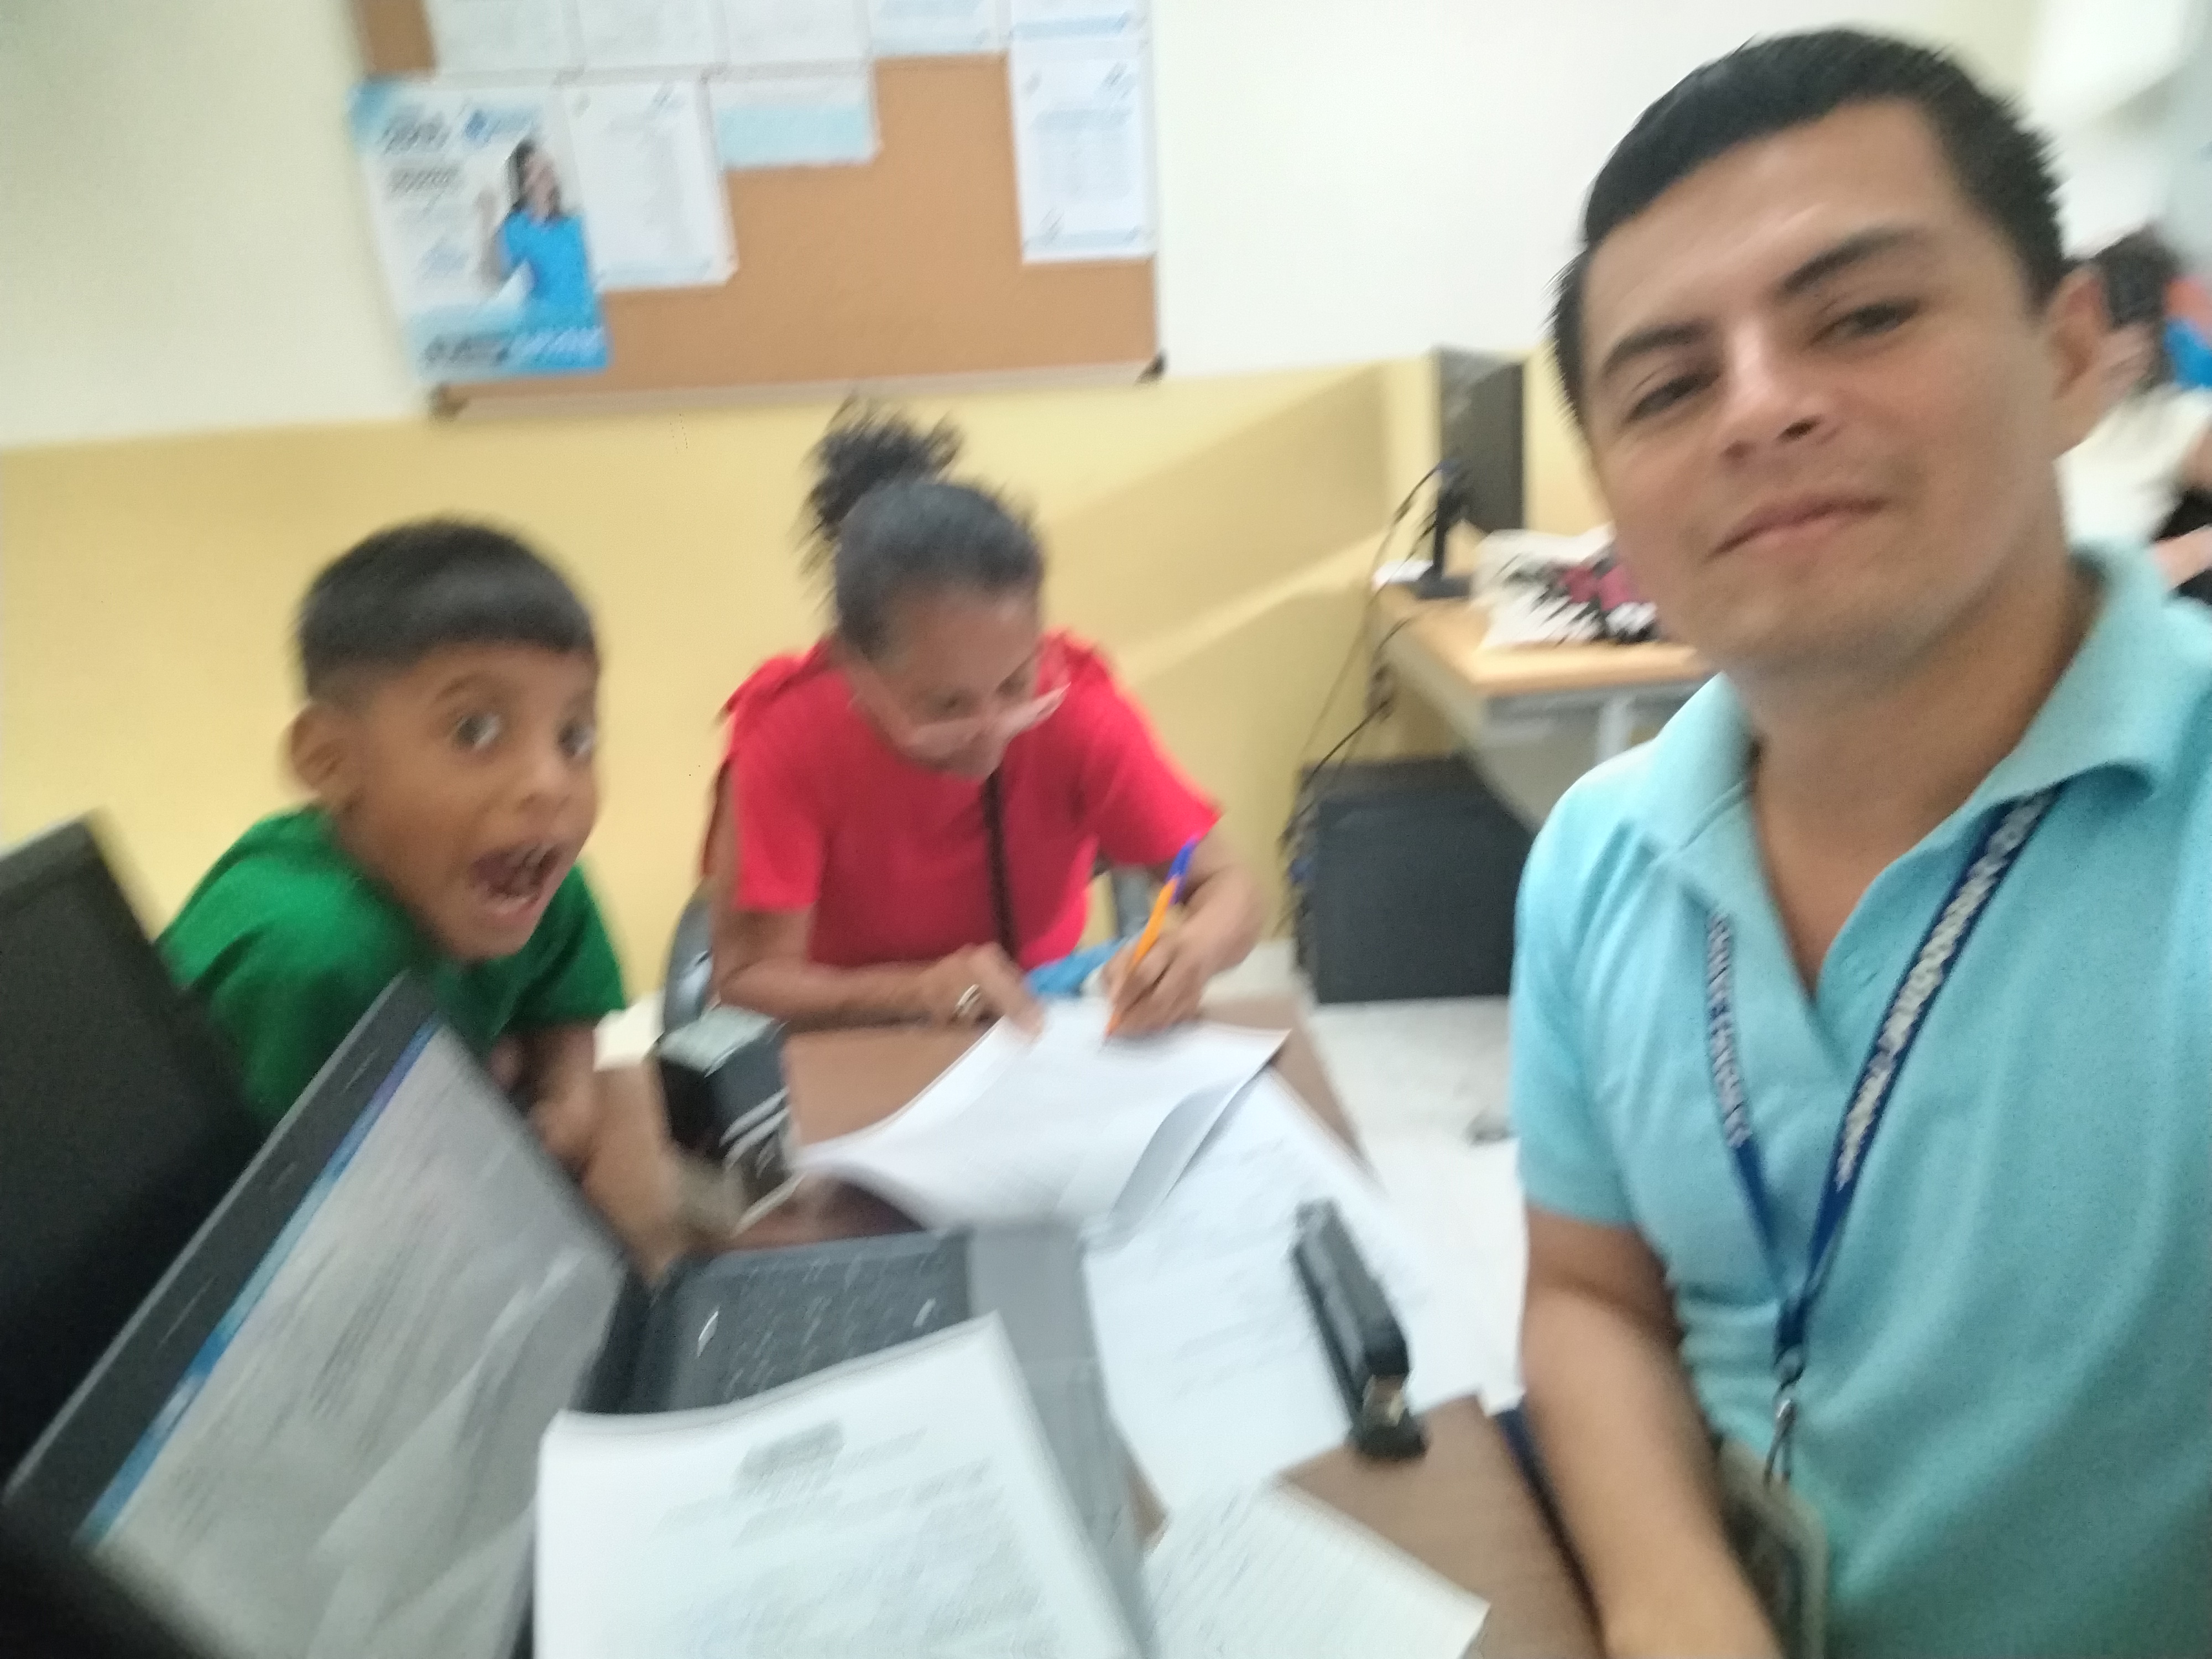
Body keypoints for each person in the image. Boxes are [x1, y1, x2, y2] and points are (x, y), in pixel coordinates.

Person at [1516, 29, 2207, 1659]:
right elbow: (1592, 1298)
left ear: (2068, 354)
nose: (1760, 407)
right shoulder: (1595, 854)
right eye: (1668, 386)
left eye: (1864, 315)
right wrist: (1674, 1593)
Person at [161, 520, 680, 1270]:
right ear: (329, 760)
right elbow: (294, 1231)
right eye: (476, 730)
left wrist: (567, 1094)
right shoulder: (311, 954)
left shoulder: (521, 870)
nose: (550, 784)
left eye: (576, 739)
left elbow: (565, 993)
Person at [708, 408, 1264, 1036]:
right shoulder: (790, 743)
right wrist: (913, 991)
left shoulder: (1073, 709)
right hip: (851, 1035)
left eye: (1014, 686)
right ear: (853, 669)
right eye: (946, 705)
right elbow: (747, 982)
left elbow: (1227, 883)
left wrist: (1193, 952)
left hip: (1034, 1023)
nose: (993, 730)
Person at [2061, 228, 2212, 585]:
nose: (2094, 384)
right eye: (2078, 358)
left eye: (2121, 369)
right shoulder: (2001, 404)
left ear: (2146, 361)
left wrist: (2193, 552)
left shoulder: (2170, 422)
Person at [480, 138, 594, 317]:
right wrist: (486, 222)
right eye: (536, 169)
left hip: (585, 326)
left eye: (547, 167)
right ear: (525, 183)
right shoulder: (519, 228)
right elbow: (493, 275)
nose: (546, 172)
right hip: (545, 328)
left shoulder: (575, 224)